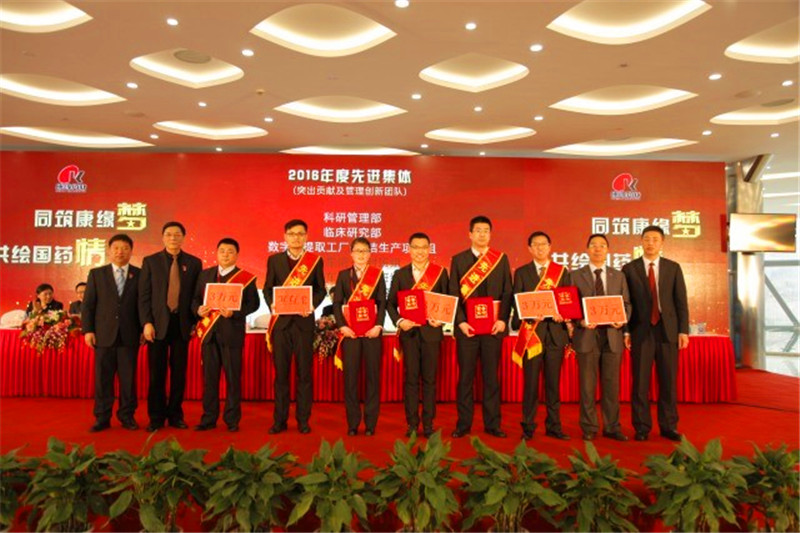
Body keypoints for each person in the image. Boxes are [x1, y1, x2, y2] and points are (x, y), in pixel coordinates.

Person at [623, 225, 690, 442]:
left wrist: (683, 330)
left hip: (667, 331)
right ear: (641, 242)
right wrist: (626, 332)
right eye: (647, 239)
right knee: (640, 383)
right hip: (640, 331)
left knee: (668, 382)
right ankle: (641, 427)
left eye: (655, 239)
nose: (650, 243)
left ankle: (669, 426)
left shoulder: (673, 268)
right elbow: (625, 303)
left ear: (662, 243)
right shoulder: (629, 269)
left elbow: (681, 302)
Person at [449, 215, 512, 439]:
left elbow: (507, 292)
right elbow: (453, 293)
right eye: (478, 230)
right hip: (467, 329)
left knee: (491, 379)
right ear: (470, 234)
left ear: (490, 234)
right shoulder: (458, 260)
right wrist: (461, 322)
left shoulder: (500, 259)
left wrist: (502, 320)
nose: (482, 234)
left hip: (493, 329)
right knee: (465, 378)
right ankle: (463, 424)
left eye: (486, 230)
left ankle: (493, 424)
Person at [263, 219, 326, 434]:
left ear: (306, 237)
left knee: (304, 375)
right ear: (285, 237)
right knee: (281, 375)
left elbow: (320, 290)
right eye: (292, 234)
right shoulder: (274, 260)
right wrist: (272, 304)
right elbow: (268, 288)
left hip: (303, 324)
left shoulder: (315, 261)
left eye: (300, 234)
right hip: (281, 325)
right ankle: (279, 420)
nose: (296, 238)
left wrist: (311, 305)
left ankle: (303, 420)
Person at [139, 221, 202, 432]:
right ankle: (156, 417)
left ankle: (175, 415)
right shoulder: (151, 261)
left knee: (178, 374)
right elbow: (144, 296)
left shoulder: (194, 263)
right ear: (163, 237)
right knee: (156, 374)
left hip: (181, 325)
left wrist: (194, 322)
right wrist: (146, 322)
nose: (173, 238)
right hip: (157, 325)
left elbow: (196, 296)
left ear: (183, 237)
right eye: (168, 234)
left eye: (177, 234)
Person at [192, 238, 259, 432]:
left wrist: (235, 312)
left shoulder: (246, 278)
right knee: (210, 380)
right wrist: (198, 310)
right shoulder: (205, 275)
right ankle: (208, 418)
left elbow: (253, 304)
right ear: (216, 253)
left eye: (230, 251)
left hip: (232, 334)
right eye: (222, 251)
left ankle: (232, 420)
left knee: (232, 379)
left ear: (237, 255)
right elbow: (195, 299)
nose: (225, 254)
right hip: (209, 335)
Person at [387, 232, 449, 438]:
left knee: (430, 381)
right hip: (410, 334)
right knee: (411, 380)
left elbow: (448, 301)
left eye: (424, 247)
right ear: (409, 249)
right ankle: (412, 424)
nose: (420, 251)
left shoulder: (440, 273)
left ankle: (429, 423)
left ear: (429, 249)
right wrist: (400, 321)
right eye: (416, 247)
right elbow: (390, 304)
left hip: (432, 333)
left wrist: (441, 319)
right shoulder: (400, 274)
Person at [511, 231, 571, 441]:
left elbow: (567, 300)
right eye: (535, 244)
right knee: (531, 385)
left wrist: (563, 314)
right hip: (532, 336)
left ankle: (554, 425)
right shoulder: (522, 272)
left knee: (553, 385)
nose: (540, 247)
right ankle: (528, 426)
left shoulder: (561, 272)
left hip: (555, 335)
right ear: (529, 248)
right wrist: (528, 314)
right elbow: (516, 301)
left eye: (543, 244)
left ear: (550, 246)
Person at [571, 234, 631, 442]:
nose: (598, 249)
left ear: (607, 250)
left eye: (602, 245)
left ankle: (612, 427)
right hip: (587, 335)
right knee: (587, 387)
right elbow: (570, 305)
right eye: (593, 245)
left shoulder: (618, 276)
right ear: (587, 249)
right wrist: (581, 321)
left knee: (611, 386)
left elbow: (627, 304)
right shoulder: (575, 275)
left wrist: (621, 320)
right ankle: (589, 427)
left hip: (612, 336)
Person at [82, 234, 141, 432]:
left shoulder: (139, 274)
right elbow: (88, 305)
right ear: (109, 250)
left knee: (128, 380)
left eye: (125, 248)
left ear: (131, 251)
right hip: (103, 335)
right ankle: (102, 417)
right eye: (116, 248)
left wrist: (143, 328)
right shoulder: (97, 274)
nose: (120, 252)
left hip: (129, 335)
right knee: (103, 379)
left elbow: (143, 305)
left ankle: (127, 416)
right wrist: (88, 330)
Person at [333, 237, 386, 436]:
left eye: (365, 251)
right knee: (351, 379)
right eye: (358, 251)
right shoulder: (343, 275)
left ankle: (371, 424)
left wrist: (378, 326)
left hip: (372, 334)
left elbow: (382, 302)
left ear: (370, 254)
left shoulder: (377, 275)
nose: (361, 254)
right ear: (351, 253)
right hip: (351, 334)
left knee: (373, 378)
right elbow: (337, 303)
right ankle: (353, 424)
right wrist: (342, 327)